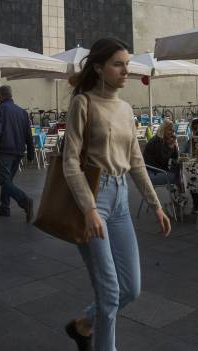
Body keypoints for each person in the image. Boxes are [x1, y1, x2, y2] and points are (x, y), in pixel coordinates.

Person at [62, 38, 171, 351]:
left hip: (121, 199)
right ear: (99, 68)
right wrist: (88, 209)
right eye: (118, 64)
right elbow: (70, 162)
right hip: (94, 199)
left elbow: (136, 161)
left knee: (131, 289)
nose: (126, 70)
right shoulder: (83, 103)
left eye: (127, 63)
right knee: (109, 293)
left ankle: (83, 325)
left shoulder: (125, 108)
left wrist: (156, 206)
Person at [0, 85, 36, 221]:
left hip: (5, 150)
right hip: (19, 151)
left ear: (0, 96)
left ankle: (24, 200)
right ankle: (4, 207)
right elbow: (28, 134)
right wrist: (31, 153)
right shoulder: (22, 112)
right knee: (8, 180)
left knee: (4, 181)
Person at [142, 120, 178, 186]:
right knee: (178, 177)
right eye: (170, 130)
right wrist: (170, 147)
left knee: (179, 173)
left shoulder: (165, 140)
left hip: (159, 170)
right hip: (152, 173)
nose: (172, 133)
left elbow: (175, 157)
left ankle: (177, 194)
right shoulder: (157, 141)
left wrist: (174, 145)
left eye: (173, 131)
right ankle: (178, 194)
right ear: (163, 130)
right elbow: (162, 160)